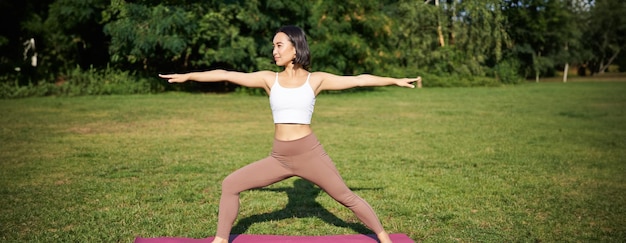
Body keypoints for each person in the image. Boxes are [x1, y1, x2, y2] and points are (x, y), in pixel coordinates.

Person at [159, 25, 421, 243]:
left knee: (346, 197)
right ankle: (219, 240)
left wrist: (395, 80)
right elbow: (227, 74)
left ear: (295, 47)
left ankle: (384, 238)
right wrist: (189, 75)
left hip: (309, 154)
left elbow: (360, 79)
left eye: (279, 45)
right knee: (230, 185)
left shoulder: (316, 80)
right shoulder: (268, 79)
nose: (274, 51)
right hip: (279, 157)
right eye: (273, 46)